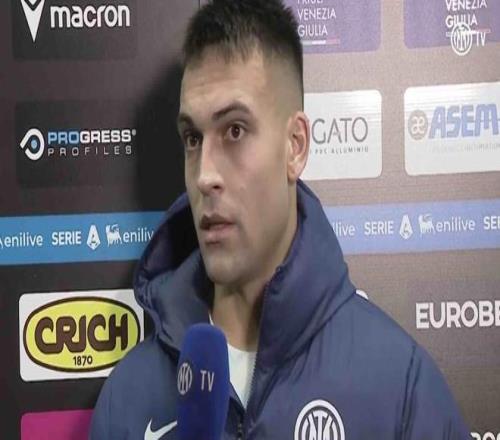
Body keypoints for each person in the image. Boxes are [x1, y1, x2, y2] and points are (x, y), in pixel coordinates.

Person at [90, 1, 471, 438]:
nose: (205, 175)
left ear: (295, 146)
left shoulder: (400, 386)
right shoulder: (128, 396)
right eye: (193, 138)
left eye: (234, 130)